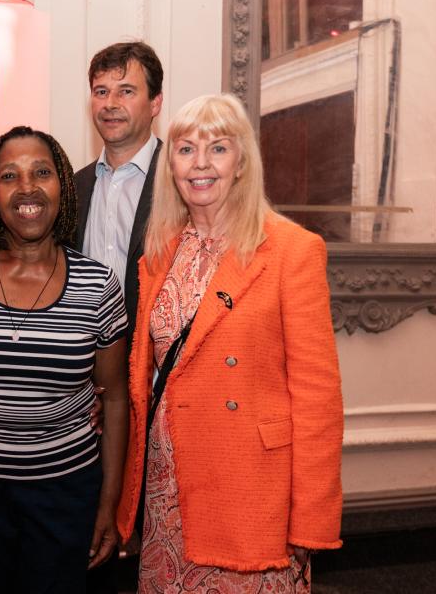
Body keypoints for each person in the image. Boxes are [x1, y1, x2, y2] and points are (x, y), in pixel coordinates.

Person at [118, 93, 343, 592]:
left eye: (218, 148)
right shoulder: (161, 251)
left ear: (241, 162)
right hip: (167, 486)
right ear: (170, 164)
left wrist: (310, 520)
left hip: (251, 489)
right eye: (185, 149)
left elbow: (318, 400)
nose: (200, 163)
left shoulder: (291, 251)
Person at [0, 126, 130, 593]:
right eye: (9, 175)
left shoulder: (99, 286)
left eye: (42, 172)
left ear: (63, 186)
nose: (27, 187)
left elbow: (115, 399)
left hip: (65, 490)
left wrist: (107, 505)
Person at [76, 41, 164, 344]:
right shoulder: (72, 188)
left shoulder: (181, 182)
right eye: (101, 92)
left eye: (126, 91)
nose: (110, 103)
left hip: (156, 368)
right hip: (85, 370)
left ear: (155, 103)